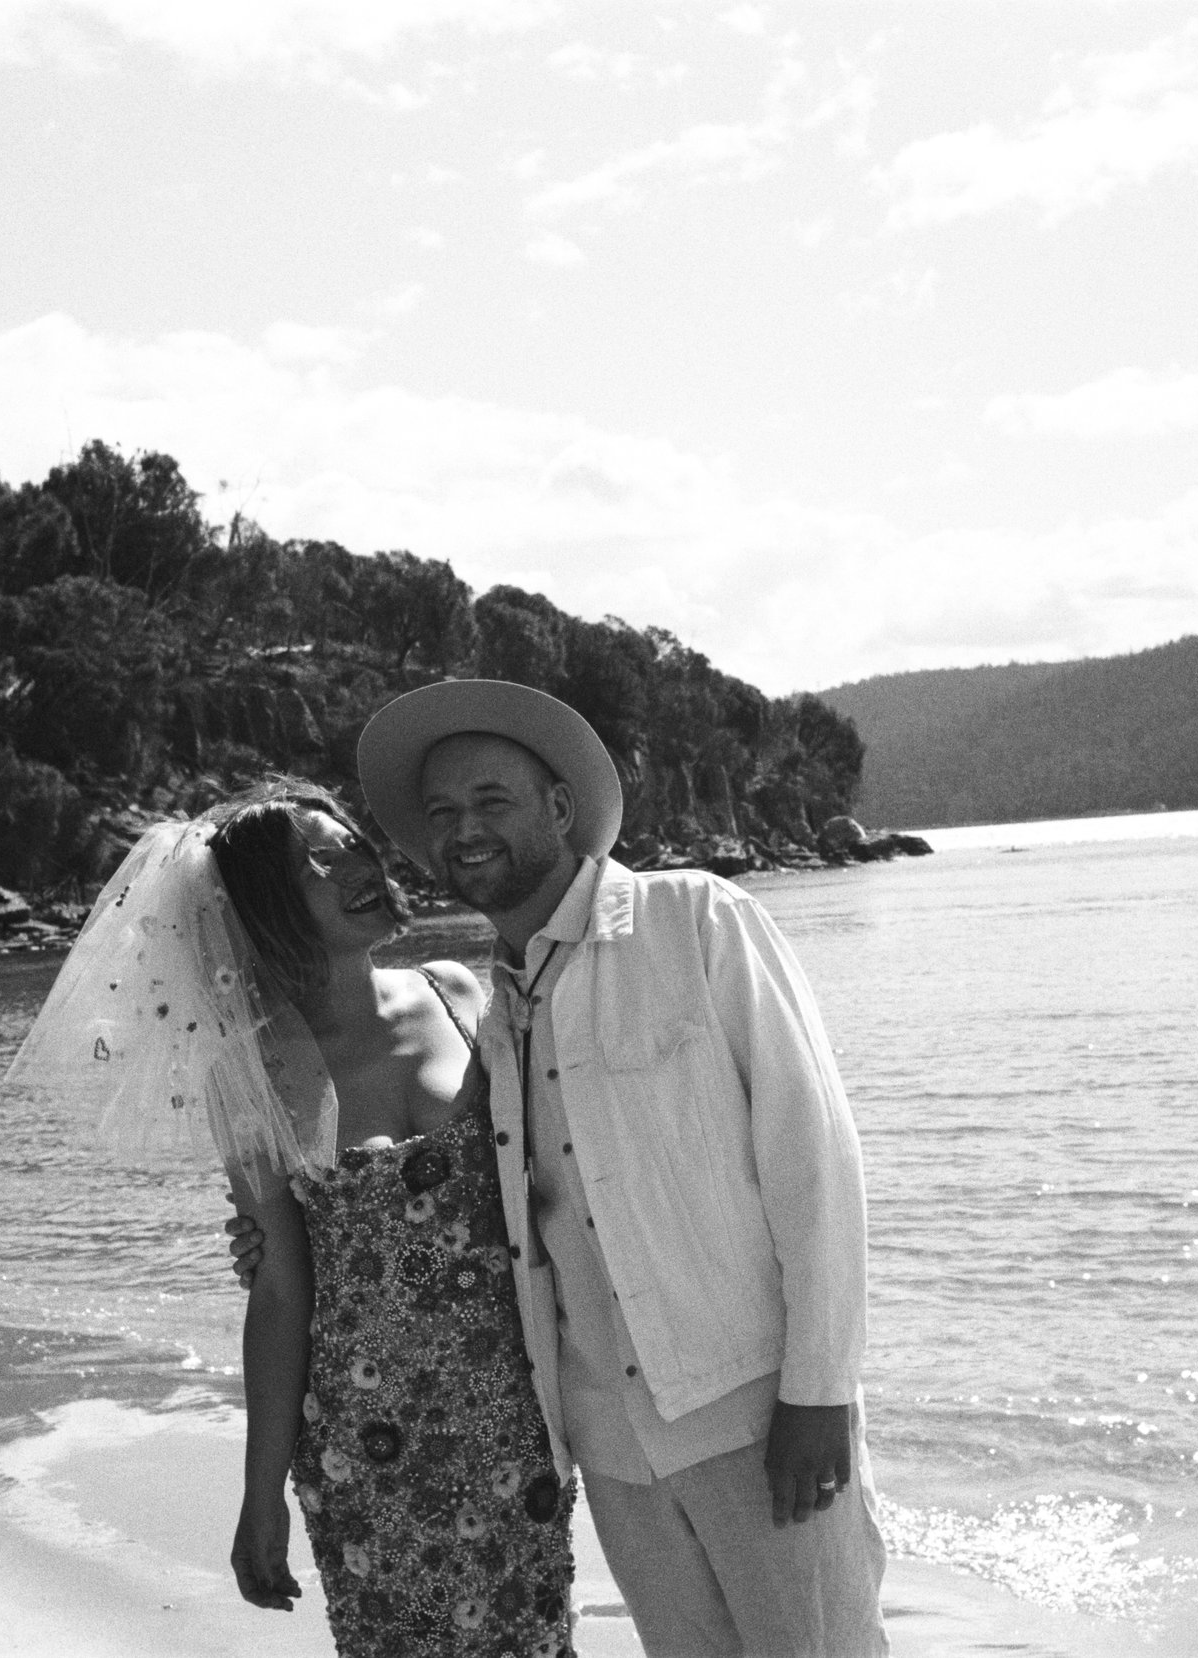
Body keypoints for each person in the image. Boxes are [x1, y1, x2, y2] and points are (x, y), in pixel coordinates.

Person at [355, 679, 889, 1658]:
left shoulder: (694, 920)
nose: (463, 828)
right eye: (442, 813)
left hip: (754, 1412)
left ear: (560, 808)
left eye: (490, 799)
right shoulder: (497, 1009)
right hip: (610, 1446)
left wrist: (821, 1387)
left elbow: (813, 1150)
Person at [7, 778, 575, 1658]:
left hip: (517, 1414)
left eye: (349, 840)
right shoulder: (250, 1074)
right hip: (368, 1439)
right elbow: (280, 1290)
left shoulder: (457, 991)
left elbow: (556, 1172)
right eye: (316, 863)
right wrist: (260, 1490)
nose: (356, 863)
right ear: (267, 912)